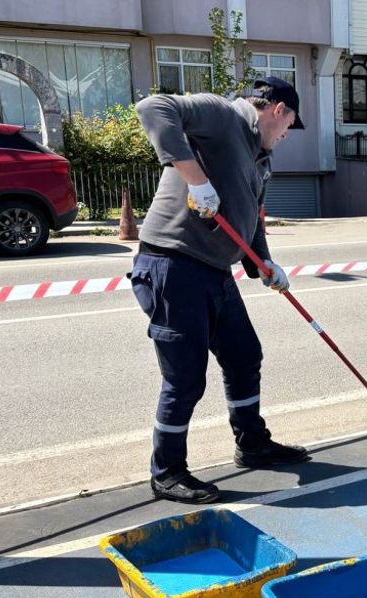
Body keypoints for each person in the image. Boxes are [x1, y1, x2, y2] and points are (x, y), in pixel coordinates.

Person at [130, 77, 310, 504]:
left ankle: (252, 443)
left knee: (244, 354)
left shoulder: (260, 156)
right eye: (288, 127)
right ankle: (167, 471)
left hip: (214, 271)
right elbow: (153, 108)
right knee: (186, 377)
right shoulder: (224, 115)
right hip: (173, 265)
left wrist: (264, 263)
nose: (285, 137)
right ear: (278, 110)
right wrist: (194, 180)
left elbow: (252, 219)